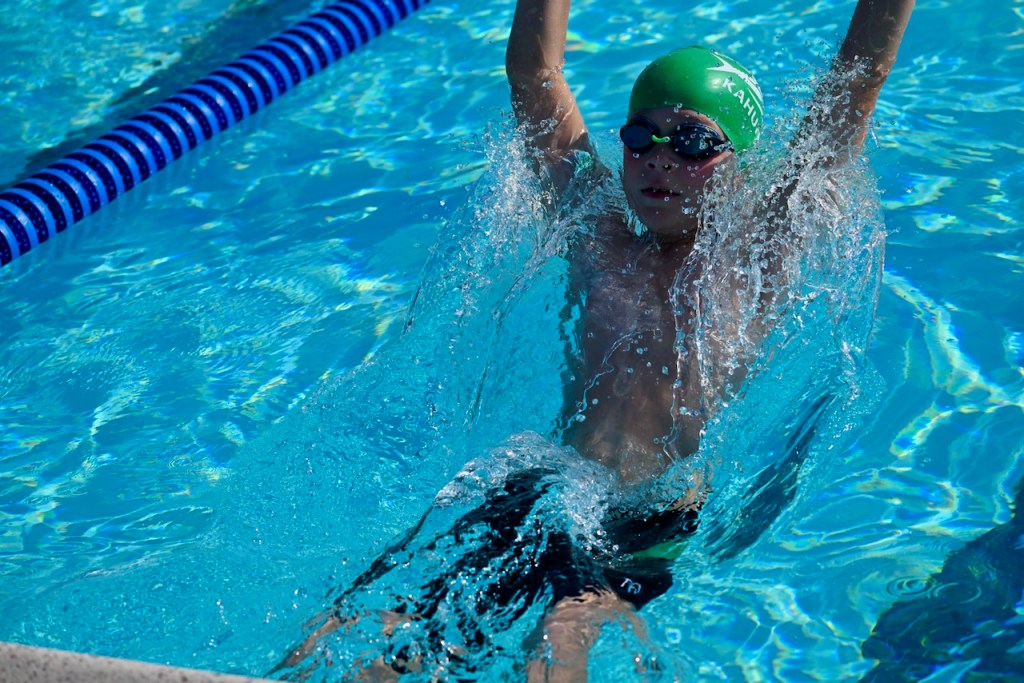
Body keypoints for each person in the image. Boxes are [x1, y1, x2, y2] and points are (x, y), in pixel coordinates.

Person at [275, 1, 914, 679]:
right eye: (641, 137)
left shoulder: (756, 257)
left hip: (648, 516)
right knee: (369, 618)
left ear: (741, 162)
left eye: (692, 143)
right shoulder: (600, 237)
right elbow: (534, 73)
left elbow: (860, 78)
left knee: (562, 629)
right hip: (545, 487)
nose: (659, 159)